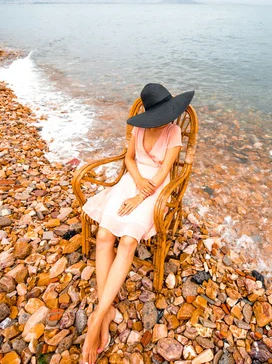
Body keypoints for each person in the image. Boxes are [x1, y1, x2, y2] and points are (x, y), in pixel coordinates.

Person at [80, 83, 194, 364]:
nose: (169, 117)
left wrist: (140, 194)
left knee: (128, 240)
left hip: (156, 187)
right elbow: (130, 159)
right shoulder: (140, 128)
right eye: (164, 113)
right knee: (105, 235)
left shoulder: (174, 131)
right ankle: (104, 311)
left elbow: (165, 171)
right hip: (132, 180)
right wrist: (135, 184)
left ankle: (96, 320)